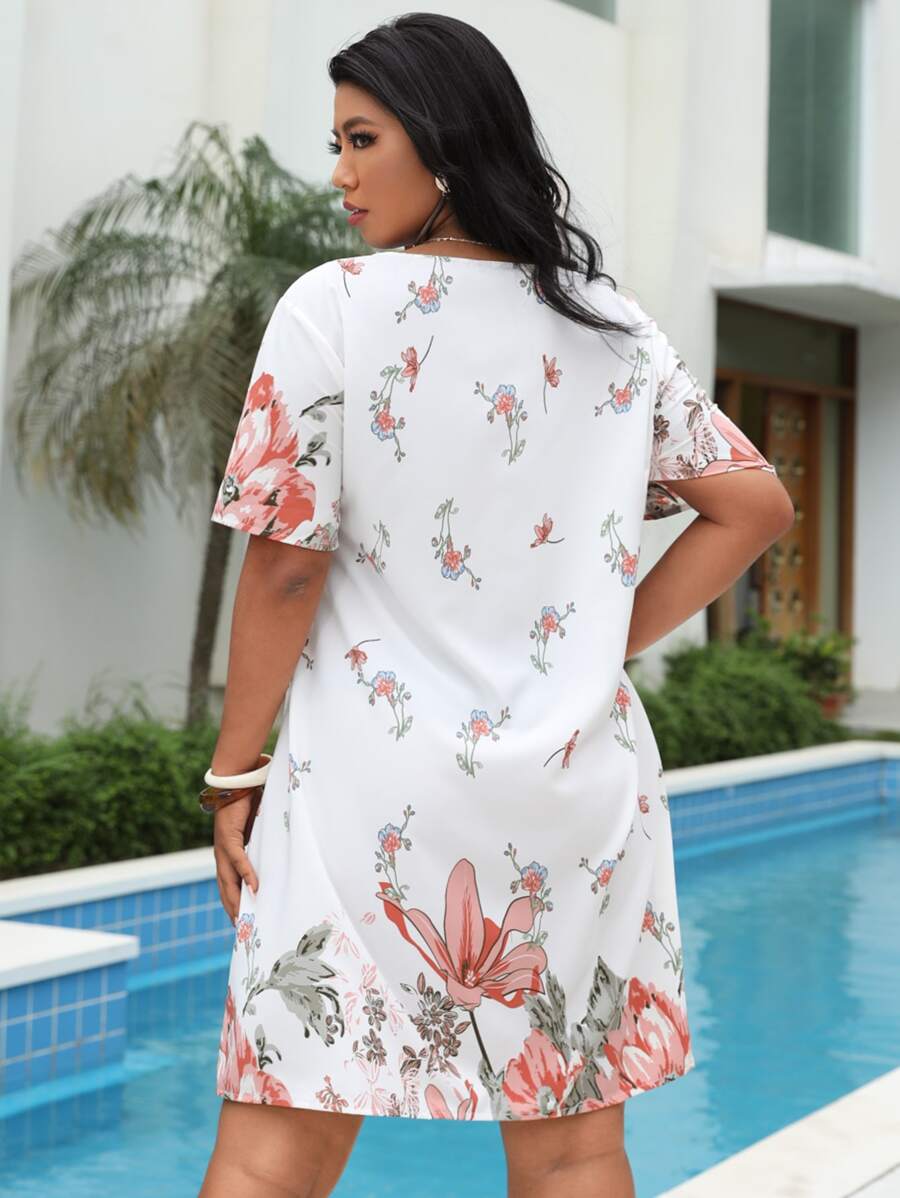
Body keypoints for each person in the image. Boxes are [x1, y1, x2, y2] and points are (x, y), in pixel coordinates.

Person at [198, 13, 793, 1198]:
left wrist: (231, 772)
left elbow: (286, 565)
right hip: (574, 787)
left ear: (444, 140)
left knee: (275, 1148)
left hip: (366, 792)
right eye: (337, 142)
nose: (340, 173)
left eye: (362, 138)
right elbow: (755, 507)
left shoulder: (333, 306)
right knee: (572, 1145)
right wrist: (595, 649)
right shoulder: (610, 326)